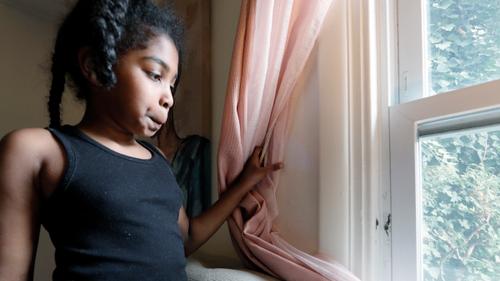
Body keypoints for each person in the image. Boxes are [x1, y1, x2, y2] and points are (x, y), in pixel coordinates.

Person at [0, 0, 283, 280]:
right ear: (96, 66)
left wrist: (244, 182)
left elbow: (186, 238)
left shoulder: (157, 160)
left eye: (172, 85)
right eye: (155, 75)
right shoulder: (35, 150)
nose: (169, 98)